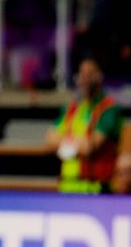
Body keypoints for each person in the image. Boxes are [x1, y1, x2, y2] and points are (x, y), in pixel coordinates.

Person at [48, 58, 122, 193]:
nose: (84, 79)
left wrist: (65, 140)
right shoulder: (72, 108)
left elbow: (90, 147)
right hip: (67, 185)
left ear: (100, 76)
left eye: (89, 74)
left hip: (96, 187)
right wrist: (77, 142)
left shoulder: (108, 109)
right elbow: (50, 141)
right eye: (81, 74)